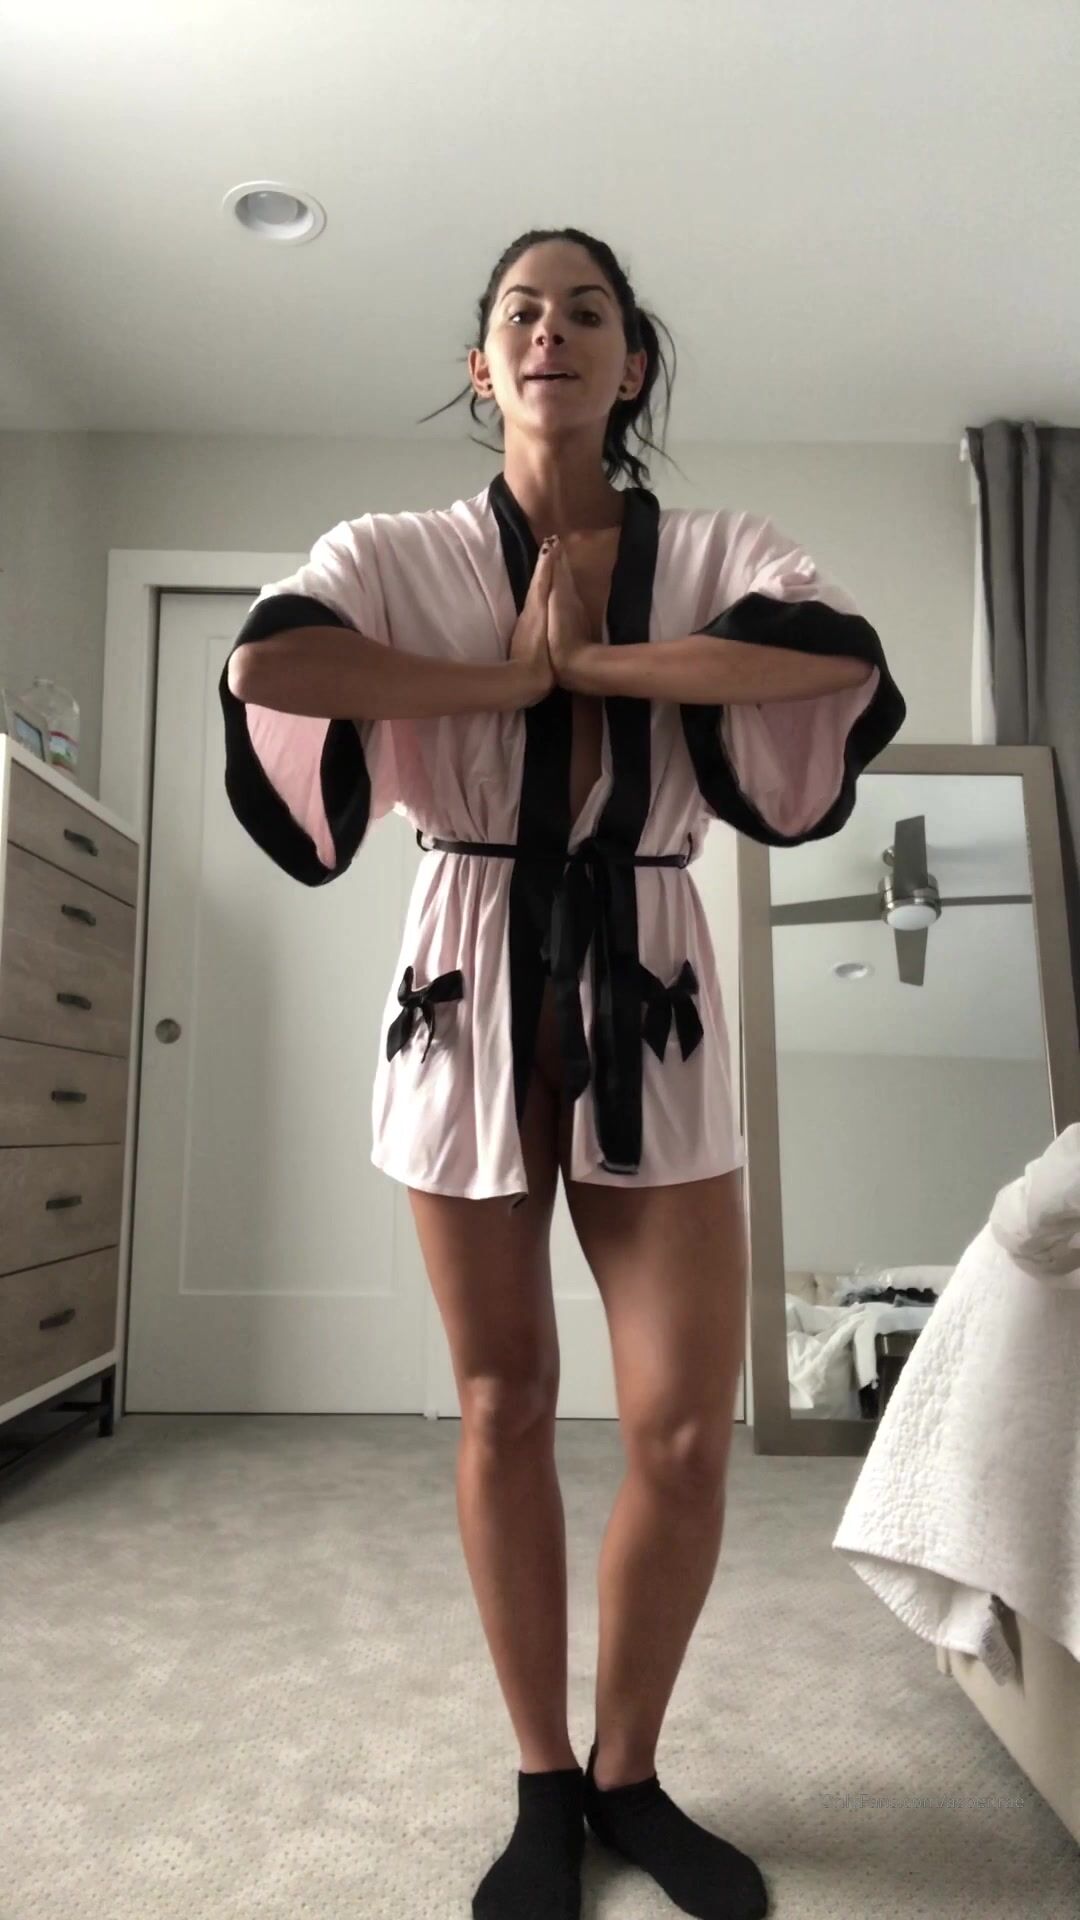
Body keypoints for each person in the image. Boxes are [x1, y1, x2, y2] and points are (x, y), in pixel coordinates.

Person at [219, 227, 906, 1920]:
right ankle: (542, 1779)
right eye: (521, 311)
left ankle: (630, 1772)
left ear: (631, 361)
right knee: (504, 1398)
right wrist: (502, 681)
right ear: (483, 365)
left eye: (587, 311)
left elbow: (834, 658)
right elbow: (271, 664)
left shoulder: (719, 548)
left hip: (650, 961)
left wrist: (595, 665)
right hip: (464, 970)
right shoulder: (396, 549)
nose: (552, 331)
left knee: (680, 1426)